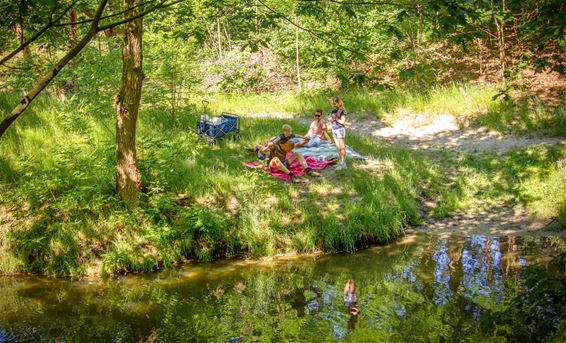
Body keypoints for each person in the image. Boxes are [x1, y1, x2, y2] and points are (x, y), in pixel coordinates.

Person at [329, 97, 347, 169]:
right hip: (334, 129)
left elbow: (342, 122)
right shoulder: (333, 111)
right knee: (338, 147)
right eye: (332, 104)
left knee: (342, 146)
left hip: (340, 129)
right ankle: (340, 162)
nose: (333, 105)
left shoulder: (343, 111)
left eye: (335, 103)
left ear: (339, 103)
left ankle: (343, 162)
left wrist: (335, 118)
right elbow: (332, 119)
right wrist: (331, 119)